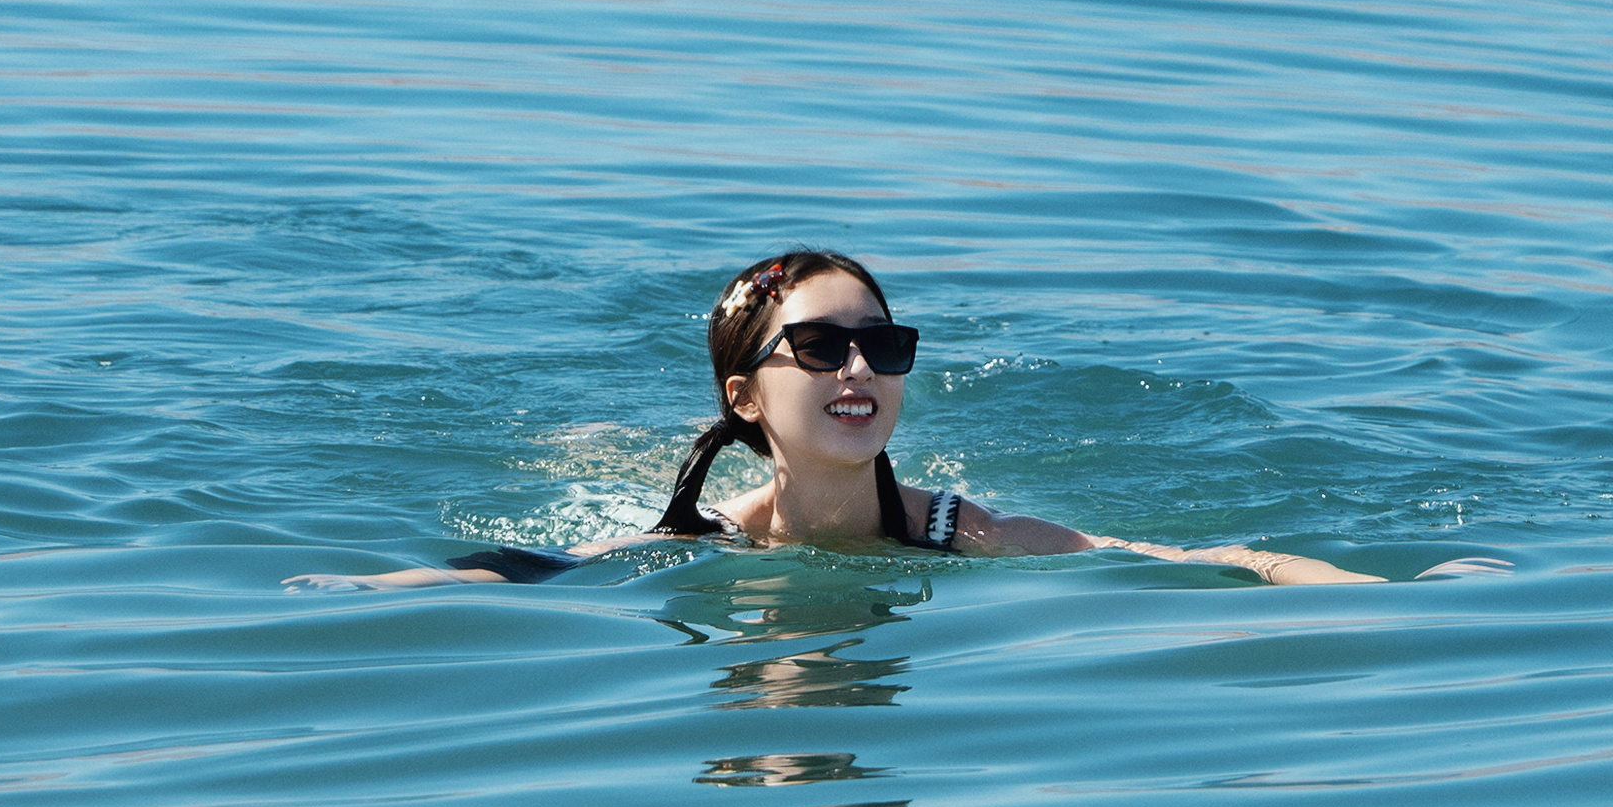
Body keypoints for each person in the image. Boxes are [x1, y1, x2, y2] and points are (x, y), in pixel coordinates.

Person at [287, 246, 1383, 591]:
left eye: (883, 345)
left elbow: (1186, 558)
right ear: (745, 396)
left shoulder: (966, 533)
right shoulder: (698, 547)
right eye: (820, 347)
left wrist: (1369, 592)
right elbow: (538, 566)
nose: (859, 366)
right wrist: (363, 584)